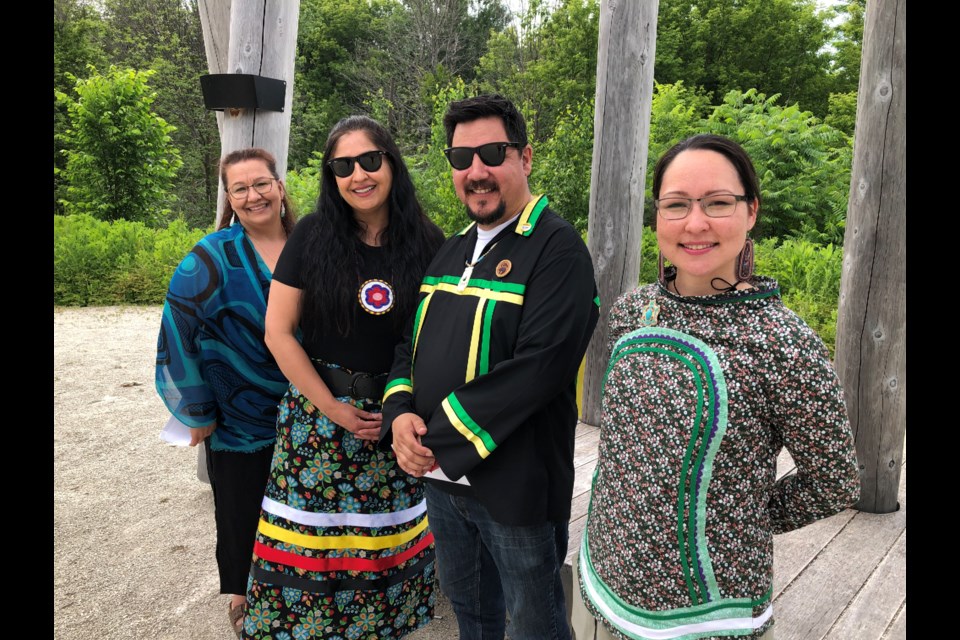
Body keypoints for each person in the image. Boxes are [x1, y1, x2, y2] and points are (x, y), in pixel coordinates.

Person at [572, 134, 861, 640]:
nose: (696, 223)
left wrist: (740, 520)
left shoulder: (783, 343)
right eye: (676, 204)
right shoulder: (634, 311)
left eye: (718, 203)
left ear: (751, 212)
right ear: (658, 215)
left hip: (707, 612)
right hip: (604, 576)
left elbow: (834, 478)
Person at [383, 94, 600, 640]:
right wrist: (400, 414)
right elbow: (409, 344)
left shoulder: (557, 249)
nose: (476, 171)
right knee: (472, 611)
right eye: (462, 159)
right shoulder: (450, 250)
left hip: (516, 482)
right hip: (441, 479)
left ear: (524, 157)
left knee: (535, 622)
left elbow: (540, 369)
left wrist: (435, 436)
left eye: (492, 153)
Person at [242, 116, 445, 640]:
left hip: (393, 425)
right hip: (317, 424)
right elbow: (279, 332)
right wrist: (332, 409)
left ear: (392, 165)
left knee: (380, 564)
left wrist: (404, 415)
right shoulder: (312, 234)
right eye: (343, 165)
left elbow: (435, 342)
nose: (359, 174)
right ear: (331, 176)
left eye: (370, 160)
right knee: (313, 563)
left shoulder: (428, 242)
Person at [155, 147, 297, 637]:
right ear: (230, 198)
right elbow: (177, 333)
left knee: (300, 510)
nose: (253, 195)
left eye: (261, 183)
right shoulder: (208, 258)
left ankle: (302, 593)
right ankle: (242, 595)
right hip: (238, 416)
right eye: (241, 188)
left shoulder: (314, 245)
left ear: (280, 186)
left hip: (311, 410)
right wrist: (196, 410)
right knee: (241, 508)